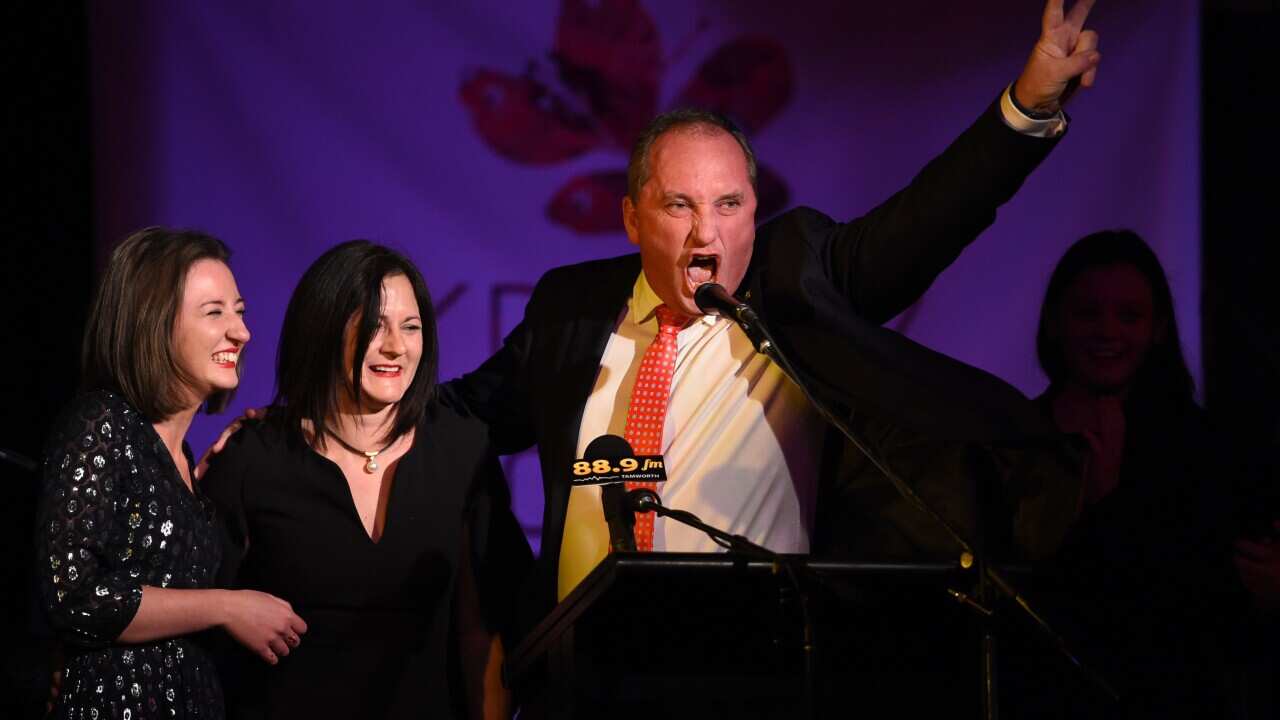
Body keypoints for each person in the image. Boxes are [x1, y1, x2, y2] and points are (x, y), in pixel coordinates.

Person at [443, 0, 1101, 630]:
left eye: (729, 205)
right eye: (680, 206)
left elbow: (926, 221)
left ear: (755, 211)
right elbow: (463, 418)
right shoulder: (571, 307)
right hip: (582, 679)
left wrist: (1026, 109)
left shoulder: (794, 284)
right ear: (631, 218)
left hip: (752, 672)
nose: (708, 234)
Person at [200, 241, 530, 719]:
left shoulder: (461, 448)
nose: (395, 345)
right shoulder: (254, 457)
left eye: (411, 327)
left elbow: (483, 630)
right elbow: (197, 618)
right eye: (374, 326)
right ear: (324, 330)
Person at [36, 228, 307, 720]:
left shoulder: (182, 459)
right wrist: (228, 607)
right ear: (154, 324)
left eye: (240, 311)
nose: (241, 333)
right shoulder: (102, 422)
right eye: (215, 313)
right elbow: (74, 597)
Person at [1017, 229, 1253, 717]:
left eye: (1129, 315)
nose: (1107, 332)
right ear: (1055, 323)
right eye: (1088, 313)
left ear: (1158, 328)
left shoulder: (1204, 449)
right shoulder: (1014, 439)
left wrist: (1106, 502)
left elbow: (1197, 606)